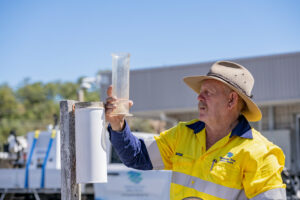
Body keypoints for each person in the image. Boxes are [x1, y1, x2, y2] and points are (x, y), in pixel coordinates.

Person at [105, 61, 286, 200]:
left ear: (231, 100)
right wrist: (117, 125)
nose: (199, 97)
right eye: (201, 91)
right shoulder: (183, 134)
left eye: (209, 92)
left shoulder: (261, 154)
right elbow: (136, 157)